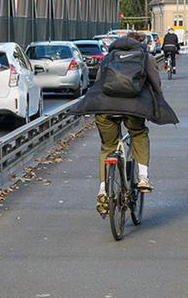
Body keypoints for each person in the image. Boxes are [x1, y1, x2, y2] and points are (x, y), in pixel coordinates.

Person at [67, 32, 179, 214]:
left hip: (105, 107)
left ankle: (103, 189)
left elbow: (99, 82)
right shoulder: (146, 57)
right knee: (138, 133)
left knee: (108, 146)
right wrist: (159, 102)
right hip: (133, 107)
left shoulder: (109, 57)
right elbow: (156, 84)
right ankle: (143, 177)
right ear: (140, 43)